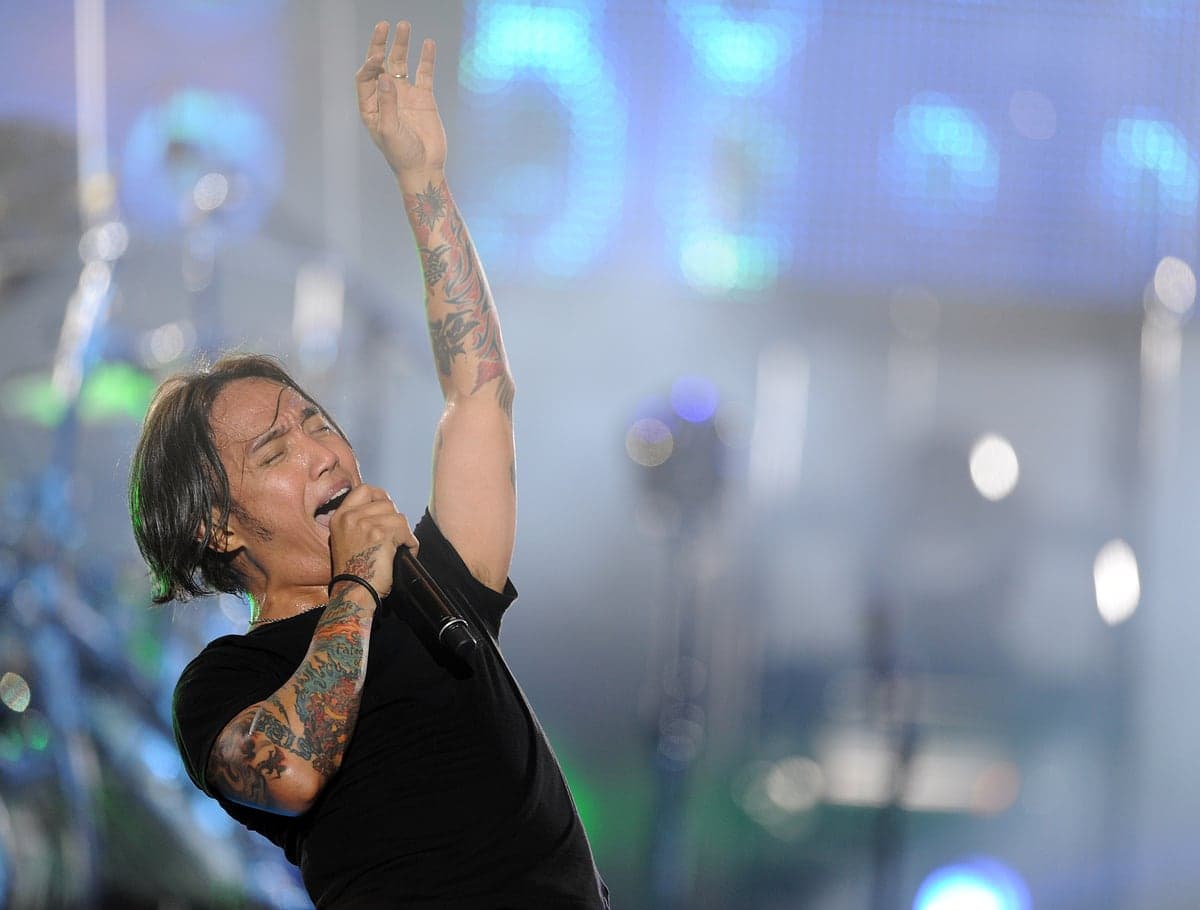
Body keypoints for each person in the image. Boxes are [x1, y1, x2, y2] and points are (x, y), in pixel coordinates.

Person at [129, 20, 610, 909]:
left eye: (318, 424)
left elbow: (480, 394)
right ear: (216, 525)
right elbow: (291, 771)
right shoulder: (223, 684)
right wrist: (354, 586)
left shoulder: (435, 589)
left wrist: (421, 178)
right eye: (277, 449)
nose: (323, 452)